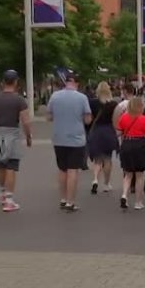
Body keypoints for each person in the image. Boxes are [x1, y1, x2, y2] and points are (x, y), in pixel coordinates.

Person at [0, 70, 33, 212]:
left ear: (3, 82)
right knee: (11, 166)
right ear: (16, 82)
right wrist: (29, 136)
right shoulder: (19, 100)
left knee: (1, 165)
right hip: (12, 133)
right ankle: (9, 200)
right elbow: (25, 121)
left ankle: (2, 193)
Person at [47, 72, 92, 212]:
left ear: (65, 82)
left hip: (59, 138)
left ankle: (63, 198)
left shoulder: (54, 96)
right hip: (76, 138)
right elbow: (87, 119)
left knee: (62, 169)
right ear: (77, 83)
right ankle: (70, 202)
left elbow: (49, 117)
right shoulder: (82, 98)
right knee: (73, 170)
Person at [117, 97, 145, 210]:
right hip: (140, 145)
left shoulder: (123, 117)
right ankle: (138, 202)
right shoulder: (144, 119)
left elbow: (118, 132)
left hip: (127, 144)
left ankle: (124, 195)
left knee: (127, 174)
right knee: (139, 175)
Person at [87, 82, 119, 194]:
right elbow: (116, 120)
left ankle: (95, 179)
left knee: (97, 159)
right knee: (107, 159)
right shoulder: (114, 104)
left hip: (97, 131)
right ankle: (106, 183)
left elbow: (89, 119)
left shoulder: (92, 103)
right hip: (109, 131)